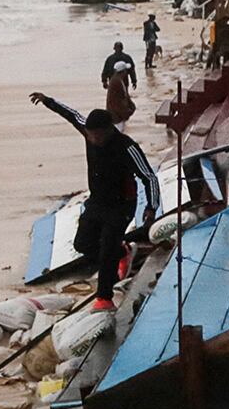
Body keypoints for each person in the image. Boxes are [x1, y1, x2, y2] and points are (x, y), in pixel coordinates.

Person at [28, 92, 159, 313]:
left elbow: (149, 177)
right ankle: (123, 251)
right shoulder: (87, 131)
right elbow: (71, 114)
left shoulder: (127, 147)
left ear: (109, 130)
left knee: (107, 249)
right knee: (83, 245)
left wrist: (151, 208)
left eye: (98, 136)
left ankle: (104, 299)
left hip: (121, 205)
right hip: (97, 201)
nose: (94, 140)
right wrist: (47, 100)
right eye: (90, 135)